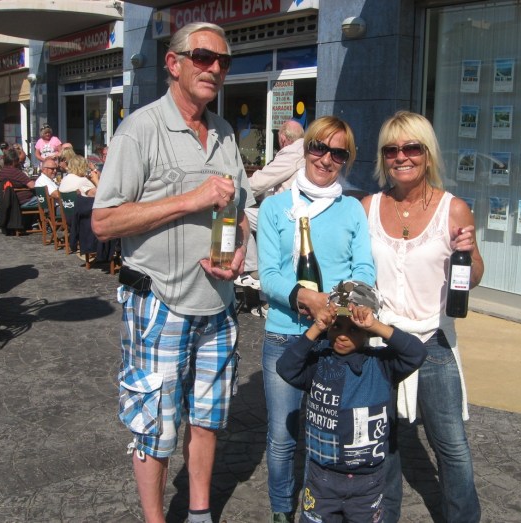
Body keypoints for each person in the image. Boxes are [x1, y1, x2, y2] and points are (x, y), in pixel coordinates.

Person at [91, 22, 254, 523]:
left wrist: (240, 249)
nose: (214, 68)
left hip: (217, 308)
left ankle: (200, 513)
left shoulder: (224, 131)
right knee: (154, 427)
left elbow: (240, 210)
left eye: (223, 61)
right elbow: (104, 221)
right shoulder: (140, 129)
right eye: (203, 57)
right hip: (159, 303)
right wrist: (191, 199)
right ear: (173, 62)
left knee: (207, 420)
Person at [361, 110, 485, 523]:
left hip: (433, 341)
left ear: (427, 153)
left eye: (411, 147)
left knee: (451, 445)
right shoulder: (368, 206)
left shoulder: (454, 209)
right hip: (380, 340)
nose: (401, 157)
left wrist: (468, 252)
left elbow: (474, 275)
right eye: (391, 150)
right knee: (385, 440)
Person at [257, 115, 376, 523]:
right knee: (282, 434)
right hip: (285, 336)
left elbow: (364, 267)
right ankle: (280, 510)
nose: (326, 159)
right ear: (304, 149)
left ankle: (317, 507)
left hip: (334, 338)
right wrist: (306, 297)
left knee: (326, 432)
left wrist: (343, 301)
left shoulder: (352, 209)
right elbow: (269, 274)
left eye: (337, 153)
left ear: (347, 159)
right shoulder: (275, 207)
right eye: (319, 148)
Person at [276, 280, 427, 523]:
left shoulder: (382, 364)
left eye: (354, 329)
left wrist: (376, 325)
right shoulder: (318, 361)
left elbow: (417, 353)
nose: (343, 336)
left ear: (367, 333)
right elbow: (285, 368)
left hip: (368, 481)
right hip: (321, 477)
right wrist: (315, 329)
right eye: (337, 326)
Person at [236, 119, 305, 297]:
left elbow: (261, 181)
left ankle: (253, 269)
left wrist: (235, 191)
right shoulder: (305, 150)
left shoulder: (292, 152)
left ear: (282, 139)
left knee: (238, 213)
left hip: (286, 214)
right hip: (298, 212)